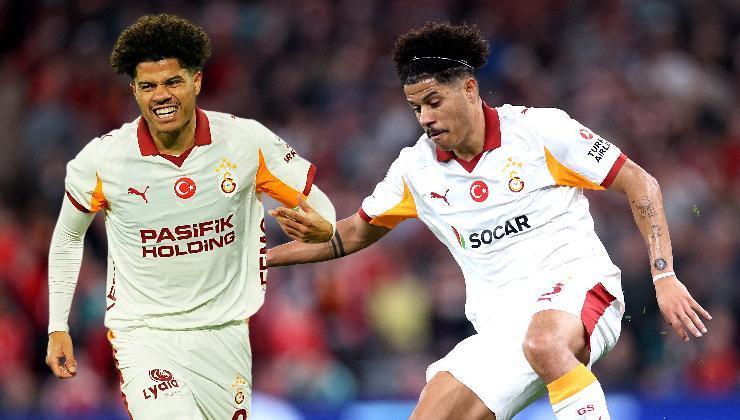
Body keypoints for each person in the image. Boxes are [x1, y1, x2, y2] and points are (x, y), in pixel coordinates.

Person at [267, 22, 712, 420]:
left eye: (434, 102)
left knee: (545, 342)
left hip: (580, 290)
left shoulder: (541, 132)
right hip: (503, 329)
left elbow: (640, 183)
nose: (425, 118)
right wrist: (261, 258)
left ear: (469, 89)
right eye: (415, 108)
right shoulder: (415, 171)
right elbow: (349, 234)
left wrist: (664, 276)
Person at [45, 14, 336, 419]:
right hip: (145, 336)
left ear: (196, 81)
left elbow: (318, 203)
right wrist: (58, 325)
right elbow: (67, 237)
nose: (160, 95)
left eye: (172, 82)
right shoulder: (102, 159)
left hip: (225, 335)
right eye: (148, 86)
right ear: (134, 91)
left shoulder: (245, 141)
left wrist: (325, 225)